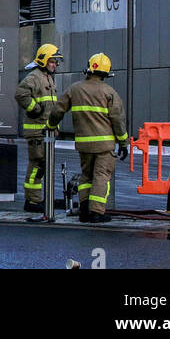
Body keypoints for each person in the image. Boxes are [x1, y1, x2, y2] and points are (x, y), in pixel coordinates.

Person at [49, 53, 130, 224]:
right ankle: (96, 212)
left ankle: (84, 210)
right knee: (101, 176)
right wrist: (123, 143)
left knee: (86, 176)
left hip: (84, 145)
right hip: (105, 145)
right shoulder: (109, 92)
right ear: (106, 72)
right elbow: (118, 120)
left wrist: (50, 125)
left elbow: (57, 110)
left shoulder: (74, 89)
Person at [14, 43, 61, 213]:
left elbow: (51, 107)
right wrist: (34, 108)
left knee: (42, 165)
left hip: (45, 132)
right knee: (37, 165)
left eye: (56, 62)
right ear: (43, 61)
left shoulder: (47, 77)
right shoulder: (34, 77)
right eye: (52, 61)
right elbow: (20, 94)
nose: (55, 65)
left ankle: (38, 198)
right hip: (36, 131)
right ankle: (32, 201)